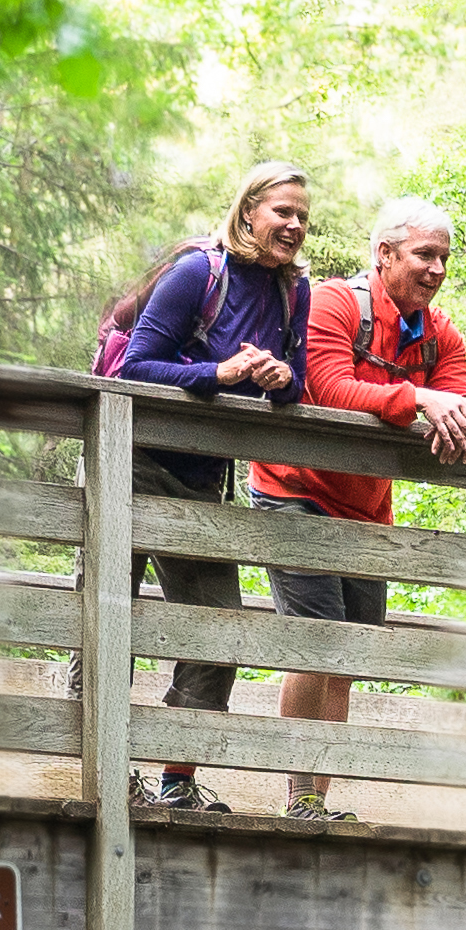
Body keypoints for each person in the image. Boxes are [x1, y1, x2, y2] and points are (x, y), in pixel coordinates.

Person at [247, 197, 466, 826]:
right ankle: (300, 797)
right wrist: (422, 400)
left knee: (350, 656)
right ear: (385, 254)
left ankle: (319, 798)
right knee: (317, 643)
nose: (436, 269)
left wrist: (449, 408)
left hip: (365, 506)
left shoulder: (439, 333)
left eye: (443, 258)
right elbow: (327, 387)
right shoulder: (334, 302)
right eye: (424, 255)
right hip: (293, 489)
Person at [102, 165, 317, 814]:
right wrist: (216, 372)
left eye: (303, 216)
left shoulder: (290, 292)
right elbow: (138, 364)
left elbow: (298, 383)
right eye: (282, 211)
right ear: (248, 211)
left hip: (202, 479)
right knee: (108, 617)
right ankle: (102, 775)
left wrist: (277, 377)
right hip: (131, 460)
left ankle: (176, 780)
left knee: (218, 630)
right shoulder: (199, 273)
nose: (294, 225)